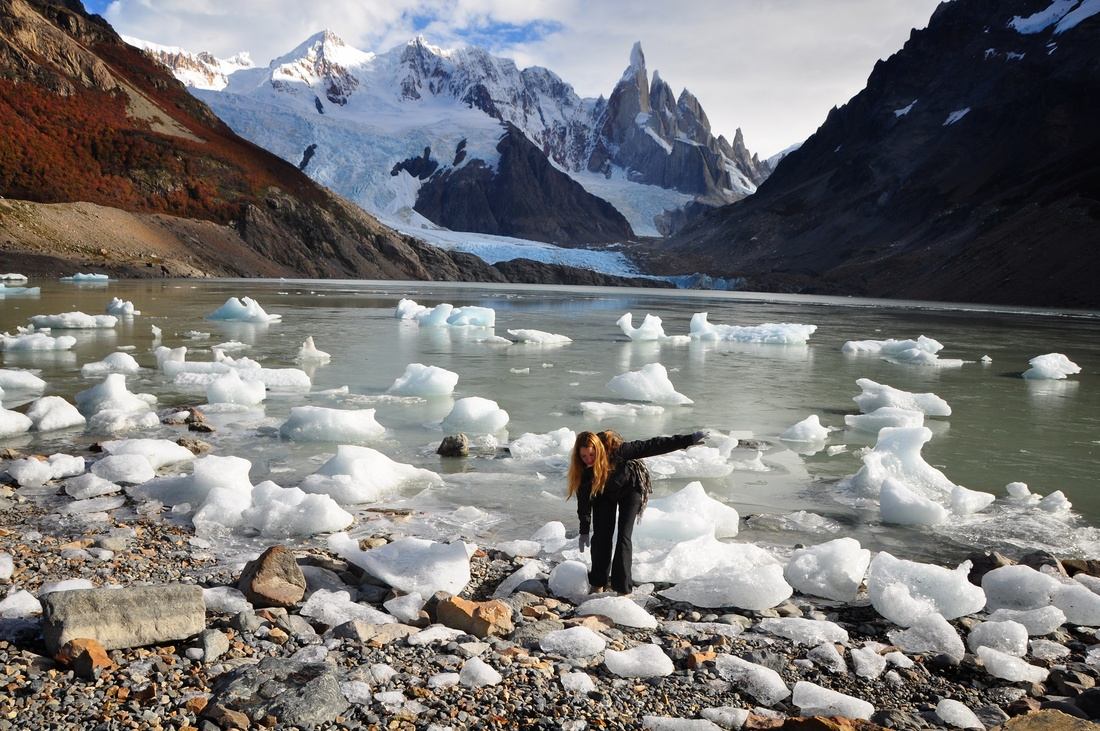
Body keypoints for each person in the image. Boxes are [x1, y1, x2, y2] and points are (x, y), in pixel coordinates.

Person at [567, 428, 705, 595]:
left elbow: (652, 445)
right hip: (603, 492)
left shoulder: (617, 450)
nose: (588, 459)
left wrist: (687, 440)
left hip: (629, 488)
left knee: (623, 537)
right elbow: (584, 503)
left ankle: (622, 589)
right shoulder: (583, 472)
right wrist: (584, 529)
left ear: (600, 450)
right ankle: (597, 583)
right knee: (601, 536)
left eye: (591, 454)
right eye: (584, 456)